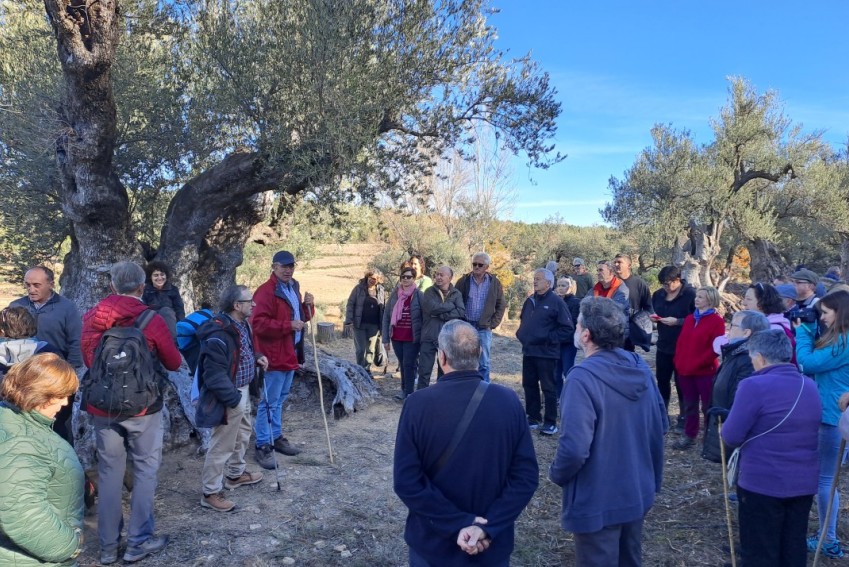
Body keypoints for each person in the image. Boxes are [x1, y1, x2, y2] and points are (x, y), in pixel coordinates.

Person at [393, 320, 539, 566]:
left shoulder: (417, 405)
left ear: (441, 357)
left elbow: (407, 482)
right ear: (480, 354)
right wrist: (487, 526)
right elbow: (525, 477)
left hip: (432, 544)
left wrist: (457, 523)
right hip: (490, 546)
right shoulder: (508, 402)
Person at [549, 296, 667, 567]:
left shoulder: (582, 378)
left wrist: (557, 473)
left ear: (586, 335)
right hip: (637, 490)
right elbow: (660, 424)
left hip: (598, 498)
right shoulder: (640, 368)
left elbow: (574, 449)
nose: (576, 329)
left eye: (578, 325)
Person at [81, 261, 182, 564]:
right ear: (141, 287)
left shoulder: (92, 317)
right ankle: (139, 542)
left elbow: (89, 360)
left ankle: (109, 548)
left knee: (110, 473)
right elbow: (174, 363)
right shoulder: (151, 319)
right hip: (143, 408)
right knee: (145, 470)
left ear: (112, 286)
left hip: (104, 408)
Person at [721, 329, 820, 567]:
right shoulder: (809, 385)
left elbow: (731, 436)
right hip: (803, 483)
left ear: (761, 358)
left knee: (760, 551)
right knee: (793, 546)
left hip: (763, 483)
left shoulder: (753, 385)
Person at [0, 354, 84, 566]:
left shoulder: (9, 418)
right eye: (61, 395)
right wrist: (69, 545)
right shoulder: (24, 442)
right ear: (39, 393)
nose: (65, 403)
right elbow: (22, 512)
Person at [196, 285, 268, 512]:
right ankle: (210, 492)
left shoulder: (241, 324)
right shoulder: (218, 334)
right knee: (222, 445)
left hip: (242, 389)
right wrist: (234, 400)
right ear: (237, 305)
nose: (253, 304)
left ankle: (235, 475)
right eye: (249, 301)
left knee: (243, 434)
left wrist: (256, 357)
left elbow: (243, 352)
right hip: (230, 396)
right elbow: (214, 375)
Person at [794, 290, 849, 558]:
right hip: (830, 415)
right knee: (826, 479)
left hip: (832, 419)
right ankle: (827, 535)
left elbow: (808, 362)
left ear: (840, 312)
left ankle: (828, 539)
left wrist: (803, 332)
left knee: (826, 480)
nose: (822, 318)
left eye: (826, 313)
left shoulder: (844, 342)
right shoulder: (840, 339)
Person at [251, 250, 313, 467]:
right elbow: (257, 324)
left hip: (290, 352)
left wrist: (308, 306)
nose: (288, 270)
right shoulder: (265, 292)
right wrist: (288, 326)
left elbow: (301, 319)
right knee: (269, 402)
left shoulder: (293, 287)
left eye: (291, 266)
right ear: (274, 267)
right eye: (283, 266)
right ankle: (262, 444)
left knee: (280, 399)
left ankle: (275, 437)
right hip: (274, 355)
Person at [702, 310, 769, 463]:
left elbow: (741, 401)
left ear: (746, 332)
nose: (728, 329)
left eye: (732, 325)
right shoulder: (734, 353)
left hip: (737, 435)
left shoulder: (748, 360)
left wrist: (728, 423)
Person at [516, 268, 574, 436]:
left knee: (548, 388)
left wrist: (548, 338)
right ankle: (533, 418)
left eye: (539, 279)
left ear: (548, 283)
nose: (535, 281)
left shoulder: (556, 302)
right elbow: (524, 322)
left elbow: (567, 328)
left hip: (547, 353)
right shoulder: (530, 301)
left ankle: (550, 422)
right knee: (529, 385)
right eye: (534, 278)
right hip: (529, 351)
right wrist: (522, 335)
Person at [672, 286, 725, 450]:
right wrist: (678, 361)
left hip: (704, 371)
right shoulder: (689, 319)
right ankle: (690, 434)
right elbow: (681, 343)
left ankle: (709, 439)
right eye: (697, 296)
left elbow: (716, 348)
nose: (696, 299)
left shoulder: (717, 321)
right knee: (690, 404)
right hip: (685, 371)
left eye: (700, 297)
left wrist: (700, 362)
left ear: (710, 299)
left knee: (707, 405)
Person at [10, 265, 83, 369]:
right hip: (21, 369)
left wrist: (71, 368)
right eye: (28, 285)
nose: (31, 290)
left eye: (36, 285)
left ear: (51, 284)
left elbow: (76, 339)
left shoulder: (67, 308)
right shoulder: (16, 306)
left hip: (54, 369)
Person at [651, 265, 696, 429]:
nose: (666, 287)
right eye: (663, 284)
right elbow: (654, 309)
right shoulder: (658, 295)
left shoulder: (691, 295)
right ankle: (663, 414)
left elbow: (698, 320)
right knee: (662, 381)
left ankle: (684, 417)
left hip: (684, 348)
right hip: (663, 345)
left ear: (678, 280)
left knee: (682, 382)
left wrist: (678, 322)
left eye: (668, 284)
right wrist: (654, 319)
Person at [455, 252, 506, 383]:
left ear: (487, 267)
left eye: (480, 264)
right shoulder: (463, 281)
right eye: (474, 264)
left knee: (483, 363)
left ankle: (483, 392)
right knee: (464, 361)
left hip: (484, 328)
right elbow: (454, 299)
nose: (476, 267)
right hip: (466, 326)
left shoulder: (494, 283)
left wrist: (493, 323)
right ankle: (466, 388)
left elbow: (501, 304)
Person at [417, 266, 465, 389]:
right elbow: (431, 309)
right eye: (437, 274)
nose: (438, 277)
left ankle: (440, 399)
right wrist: (450, 306)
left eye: (441, 275)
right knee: (424, 371)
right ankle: (422, 400)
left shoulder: (456, 293)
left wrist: (441, 314)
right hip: (429, 336)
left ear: (450, 278)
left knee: (444, 373)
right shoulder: (429, 292)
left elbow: (460, 312)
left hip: (447, 339)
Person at [383, 264, 424, 400]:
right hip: (396, 336)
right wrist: (385, 339)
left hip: (412, 337)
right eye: (403, 277)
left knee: (409, 364)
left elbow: (425, 317)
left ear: (414, 279)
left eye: (409, 277)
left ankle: (409, 393)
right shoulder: (395, 295)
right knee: (402, 363)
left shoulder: (419, 295)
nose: (405, 279)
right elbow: (386, 317)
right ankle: (404, 390)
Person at [735, 282, 796, 363]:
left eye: (749, 299)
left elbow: (770, 363)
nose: (744, 303)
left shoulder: (774, 330)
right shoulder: (757, 325)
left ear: (763, 302)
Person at [344, 268, 386, 372]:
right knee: (360, 349)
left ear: (378, 280)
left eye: (375, 279)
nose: (373, 280)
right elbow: (350, 304)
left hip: (374, 325)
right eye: (371, 278)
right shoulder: (358, 288)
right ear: (367, 277)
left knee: (371, 350)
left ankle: (367, 370)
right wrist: (349, 320)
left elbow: (383, 307)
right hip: (359, 324)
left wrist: (384, 324)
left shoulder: (380, 290)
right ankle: (360, 369)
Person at [613, 253, 654, 351]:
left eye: (619, 262)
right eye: (615, 262)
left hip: (629, 334)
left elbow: (648, 308)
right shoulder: (609, 283)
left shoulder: (639, 284)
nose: (616, 264)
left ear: (629, 265)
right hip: (611, 331)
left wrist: (641, 326)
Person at [142, 261, 185, 338]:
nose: (159, 278)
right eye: (156, 275)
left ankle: (173, 344)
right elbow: (142, 309)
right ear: (150, 277)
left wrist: (180, 326)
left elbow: (179, 309)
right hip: (152, 323)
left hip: (170, 324)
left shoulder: (173, 290)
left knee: (166, 311)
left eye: (162, 275)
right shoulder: (145, 291)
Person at [553, 276, 581, 397]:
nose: (560, 288)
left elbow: (573, 322)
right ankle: (558, 397)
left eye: (563, 285)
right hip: (555, 342)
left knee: (567, 370)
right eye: (558, 285)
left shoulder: (575, 302)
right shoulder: (553, 301)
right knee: (555, 373)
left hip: (568, 343)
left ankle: (570, 396)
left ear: (570, 287)